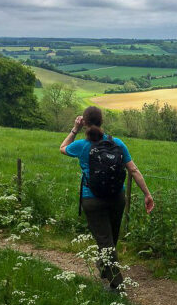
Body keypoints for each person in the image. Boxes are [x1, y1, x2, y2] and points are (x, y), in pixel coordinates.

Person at [60, 106, 154, 290]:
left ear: (84, 122)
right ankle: (106, 268)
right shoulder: (117, 143)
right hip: (117, 198)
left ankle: (116, 286)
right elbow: (133, 170)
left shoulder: (81, 146)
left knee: (105, 241)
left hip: (92, 200)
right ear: (102, 122)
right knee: (110, 239)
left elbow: (62, 147)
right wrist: (147, 194)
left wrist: (75, 129)